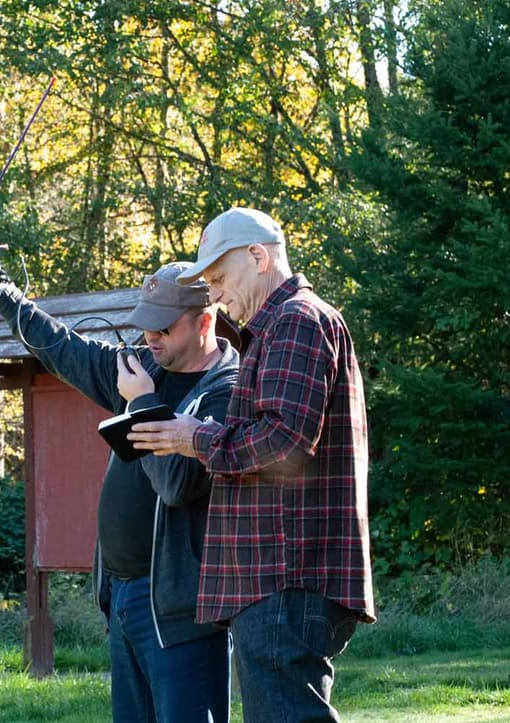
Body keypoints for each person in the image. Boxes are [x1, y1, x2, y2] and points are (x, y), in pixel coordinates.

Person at [0, 250, 238, 723]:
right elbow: (62, 348)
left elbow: (177, 486)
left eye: (164, 328)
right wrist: (0, 293)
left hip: (181, 608)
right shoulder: (143, 369)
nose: (150, 337)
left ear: (205, 321)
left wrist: (144, 404)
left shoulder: (227, 390)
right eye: (146, 324)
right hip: (125, 596)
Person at [126, 207, 375, 722]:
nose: (213, 295)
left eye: (218, 278)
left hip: (285, 573)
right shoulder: (280, 327)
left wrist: (195, 438)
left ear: (258, 257)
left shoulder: (295, 321)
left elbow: (283, 441)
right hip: (277, 577)